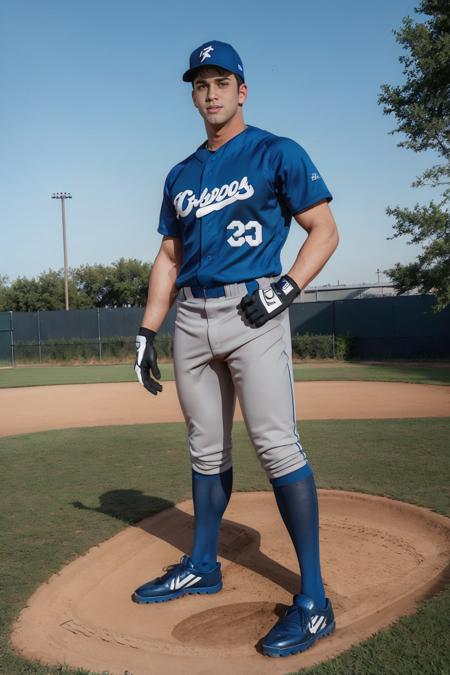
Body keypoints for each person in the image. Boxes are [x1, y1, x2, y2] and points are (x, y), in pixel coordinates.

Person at [133, 40, 339, 657]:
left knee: (275, 444)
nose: (211, 92)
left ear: (242, 90)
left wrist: (285, 289)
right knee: (205, 446)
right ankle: (203, 563)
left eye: (222, 81)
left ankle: (314, 602)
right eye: (201, 83)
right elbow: (168, 258)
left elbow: (324, 230)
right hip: (191, 318)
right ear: (193, 95)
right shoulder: (181, 174)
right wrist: (147, 330)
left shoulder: (277, 150)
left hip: (253, 308)